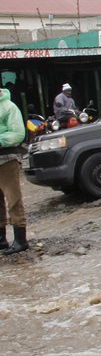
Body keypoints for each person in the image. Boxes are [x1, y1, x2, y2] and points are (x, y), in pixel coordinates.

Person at [0, 87, 28, 255]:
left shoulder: (9, 107)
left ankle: (20, 240)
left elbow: (18, 133)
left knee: (13, 199)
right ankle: (1, 239)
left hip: (7, 159)